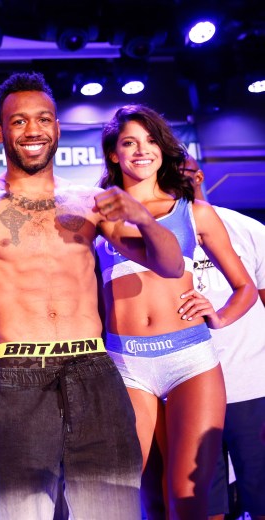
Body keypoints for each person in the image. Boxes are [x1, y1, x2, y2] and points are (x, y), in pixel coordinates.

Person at [0, 72, 186, 520]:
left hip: (93, 369)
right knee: (24, 513)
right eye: (18, 122)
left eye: (43, 119)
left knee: (111, 510)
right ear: (0, 132)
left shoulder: (89, 202)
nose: (33, 130)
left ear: (57, 128)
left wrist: (146, 218)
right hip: (19, 373)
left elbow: (171, 265)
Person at [95, 106, 257, 518]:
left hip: (191, 360)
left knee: (189, 494)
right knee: (139, 489)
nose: (141, 150)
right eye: (129, 142)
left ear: (163, 150)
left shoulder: (194, 212)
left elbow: (245, 288)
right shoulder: (97, 214)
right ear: (114, 153)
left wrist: (218, 316)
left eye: (151, 141)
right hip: (127, 363)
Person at [179, 155, 265, 520]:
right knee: (205, 502)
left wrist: (222, 317)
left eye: (180, 170)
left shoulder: (246, 229)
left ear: (198, 176)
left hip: (251, 384)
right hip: (189, 387)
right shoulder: (149, 236)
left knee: (260, 494)